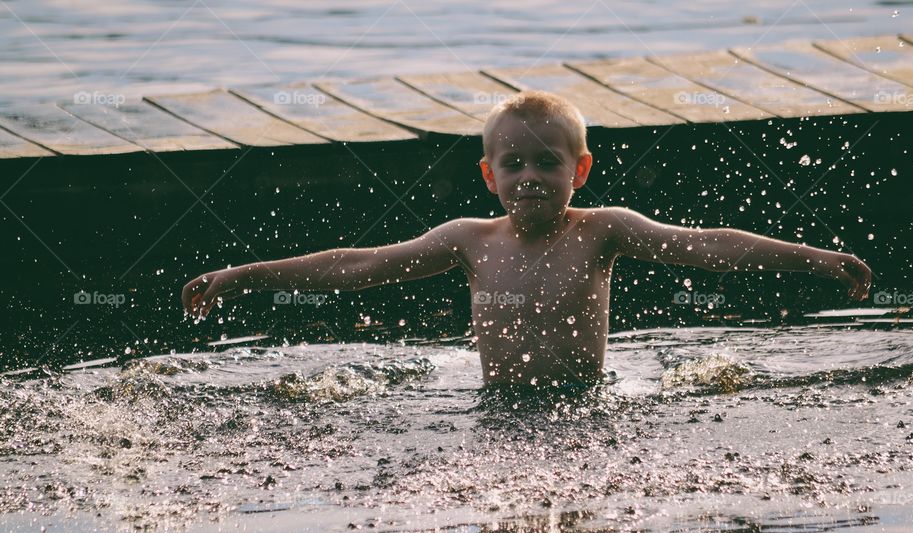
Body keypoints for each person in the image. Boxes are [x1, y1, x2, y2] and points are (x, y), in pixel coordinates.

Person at [182, 90, 872, 388]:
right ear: (489, 174)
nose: (531, 177)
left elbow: (705, 245)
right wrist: (247, 274)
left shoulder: (604, 231)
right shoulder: (470, 241)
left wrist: (812, 259)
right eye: (514, 164)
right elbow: (360, 265)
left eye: (548, 162)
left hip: (585, 402)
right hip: (498, 404)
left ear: (582, 168)